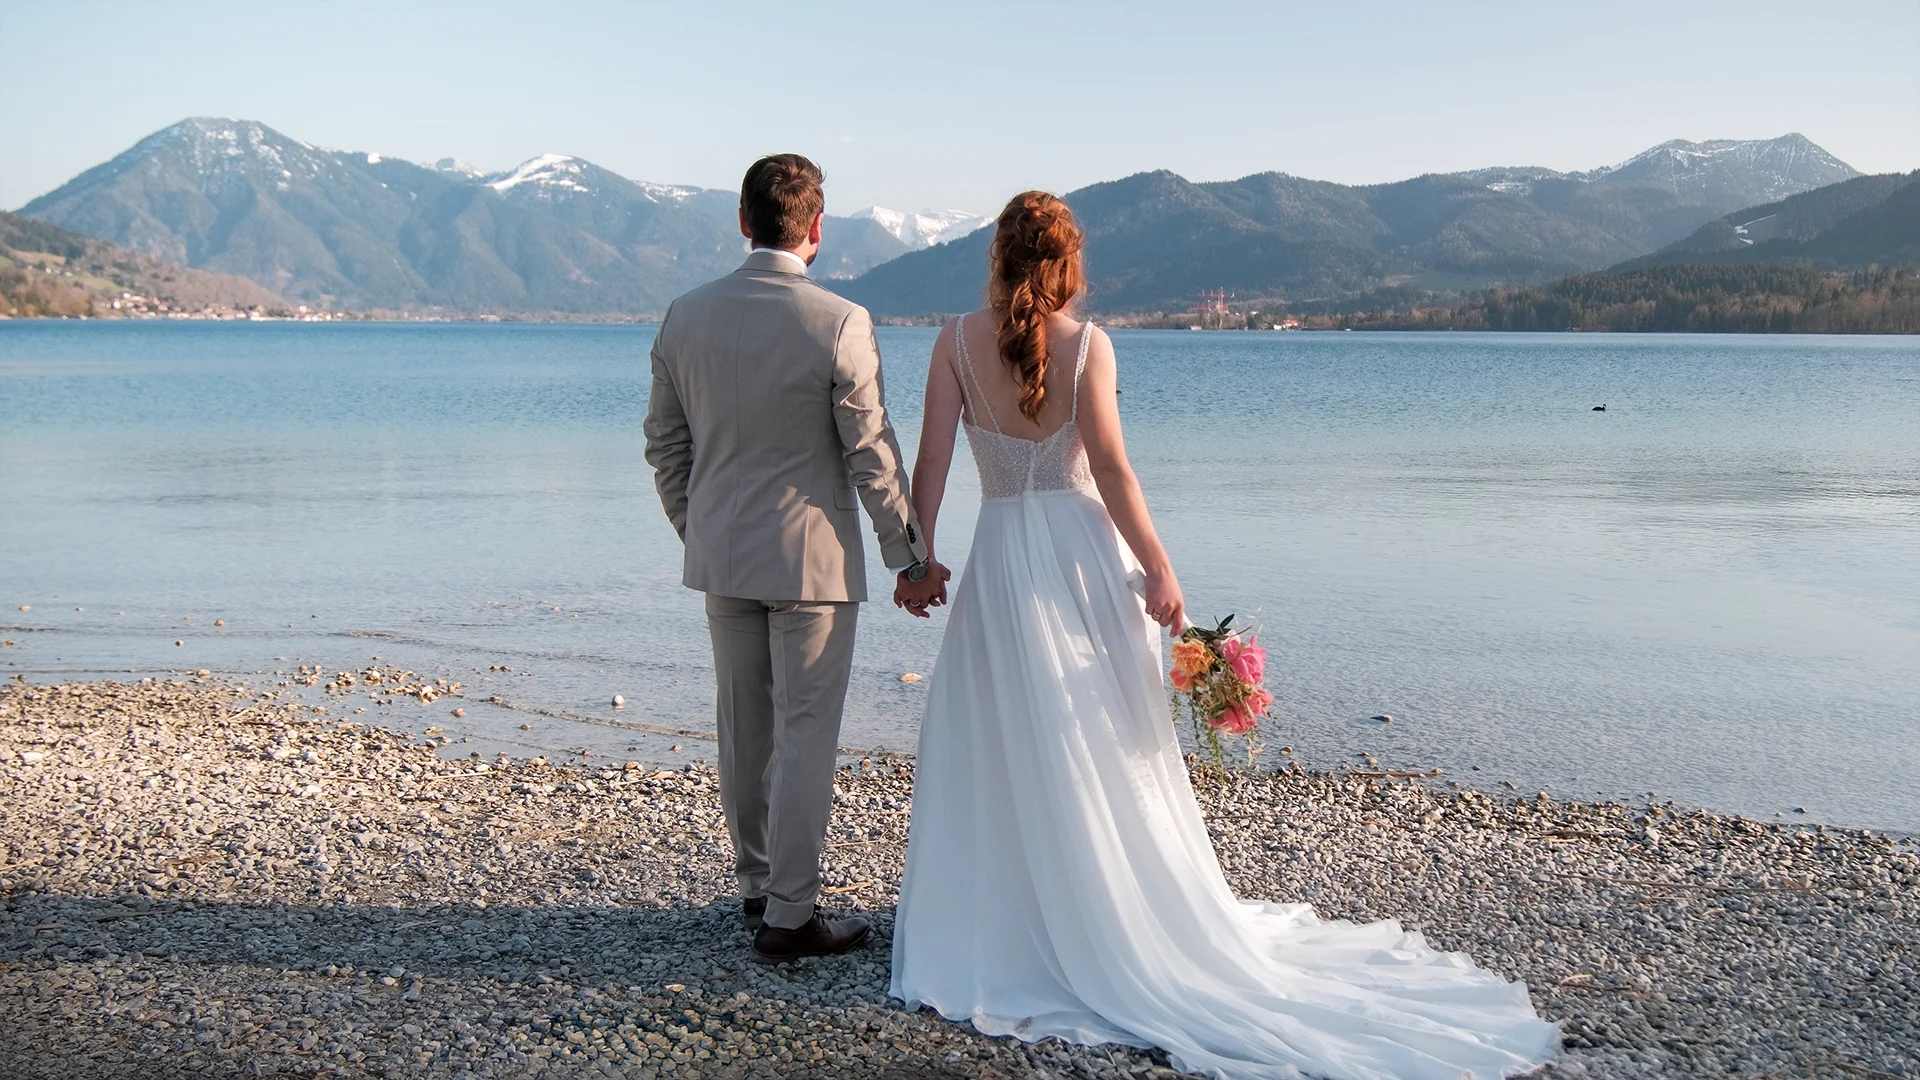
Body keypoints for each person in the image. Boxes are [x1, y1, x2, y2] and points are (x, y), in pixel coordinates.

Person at [888, 191, 1558, 1079]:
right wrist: (1160, 567)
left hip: (1003, 558)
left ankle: (1008, 920)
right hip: (1083, 561)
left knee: (1004, 734)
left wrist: (918, 560)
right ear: (1068, 260)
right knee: (1096, 735)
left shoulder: (951, 343)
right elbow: (1114, 471)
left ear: (998, 257)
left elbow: (929, 462)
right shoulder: (1088, 343)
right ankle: (1105, 911)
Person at [644, 153, 949, 964]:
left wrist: (698, 526)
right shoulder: (840, 320)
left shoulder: (684, 316)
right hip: (812, 564)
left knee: (743, 727)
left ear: (744, 222)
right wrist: (910, 558)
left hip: (722, 556)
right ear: (816, 230)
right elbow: (871, 452)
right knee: (805, 734)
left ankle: (757, 887)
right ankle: (790, 913)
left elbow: (664, 449)